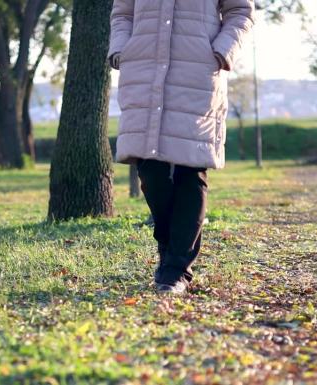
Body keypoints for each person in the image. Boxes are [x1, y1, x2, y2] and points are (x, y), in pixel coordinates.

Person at [108, 0, 255, 295]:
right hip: (144, 73)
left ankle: (175, 270)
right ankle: (170, 248)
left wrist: (221, 51)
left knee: (191, 170)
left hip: (197, 75)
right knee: (150, 172)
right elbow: (122, 12)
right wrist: (121, 49)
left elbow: (241, 11)